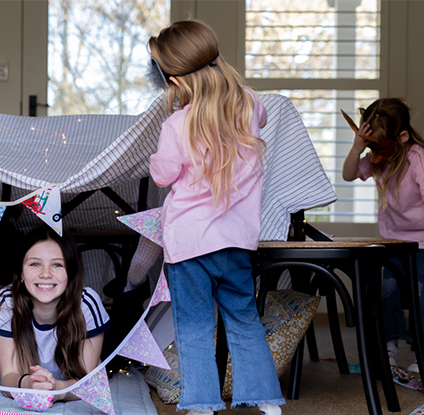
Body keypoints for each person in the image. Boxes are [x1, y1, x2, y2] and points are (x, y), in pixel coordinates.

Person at [148, 20, 284, 415]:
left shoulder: (176, 125)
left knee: (193, 329)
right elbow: (259, 117)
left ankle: (203, 404)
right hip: (237, 242)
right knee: (243, 320)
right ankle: (266, 400)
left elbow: (162, 174)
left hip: (189, 244)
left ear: (173, 79)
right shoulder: (248, 103)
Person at [342, 98, 424, 373]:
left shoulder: (419, 160)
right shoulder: (379, 158)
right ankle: (390, 348)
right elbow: (348, 174)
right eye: (370, 144)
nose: (375, 151)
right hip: (395, 238)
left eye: (380, 145)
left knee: (419, 291)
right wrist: (357, 148)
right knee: (388, 292)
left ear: (402, 137)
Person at [0, 226, 110, 403]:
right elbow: (8, 376)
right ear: (21, 272)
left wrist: (55, 390)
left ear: (70, 272)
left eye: (57, 264)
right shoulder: (6, 302)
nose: (46, 274)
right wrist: (29, 384)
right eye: (35, 264)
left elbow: (86, 385)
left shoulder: (87, 303)